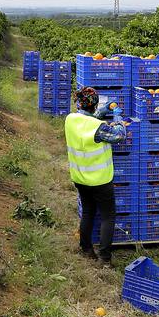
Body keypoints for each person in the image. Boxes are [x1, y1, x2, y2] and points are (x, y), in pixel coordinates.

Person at [66, 86, 128, 265]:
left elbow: (87, 120)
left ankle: (86, 249)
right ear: (94, 104)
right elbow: (119, 135)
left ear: (79, 103)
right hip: (100, 180)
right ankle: (105, 258)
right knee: (108, 216)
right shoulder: (98, 127)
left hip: (79, 177)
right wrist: (117, 115)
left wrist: (102, 110)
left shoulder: (70, 119)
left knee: (88, 212)